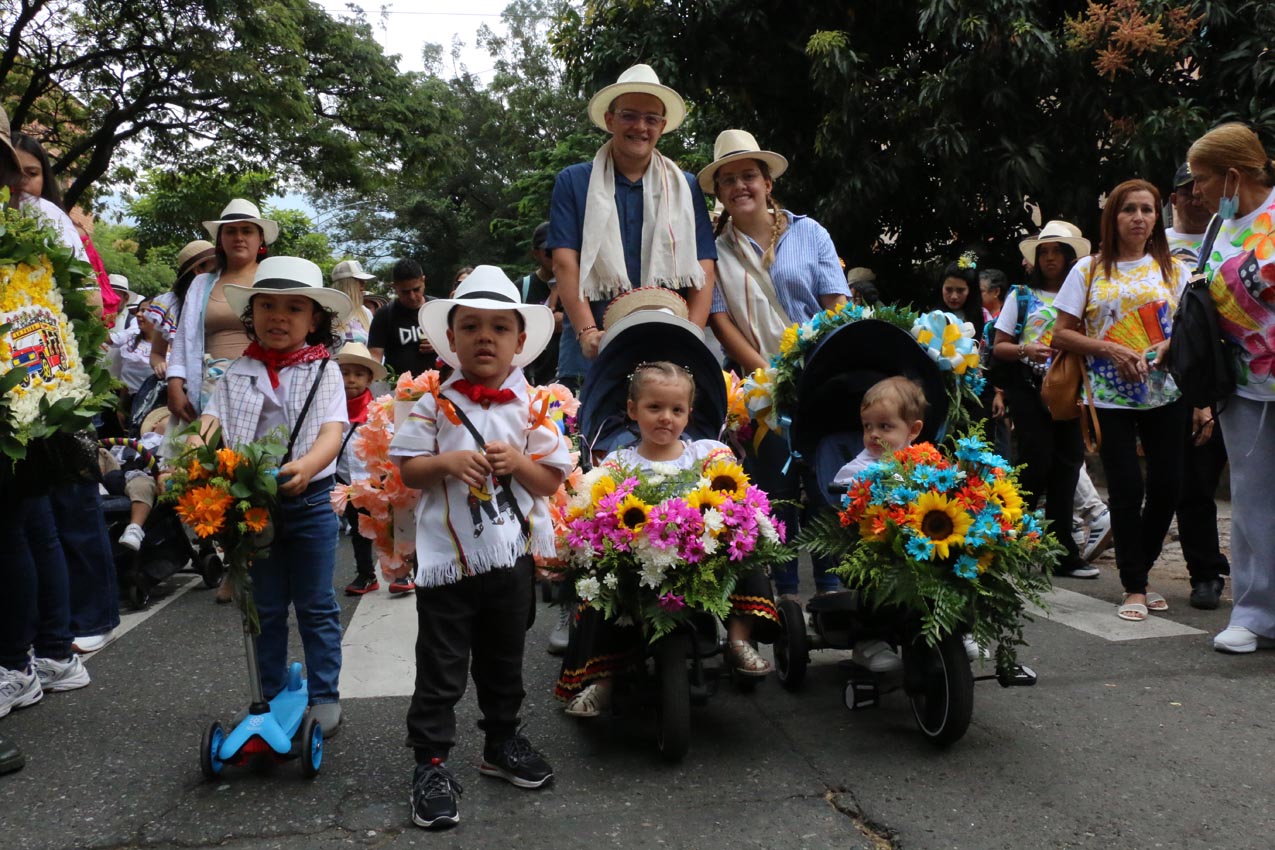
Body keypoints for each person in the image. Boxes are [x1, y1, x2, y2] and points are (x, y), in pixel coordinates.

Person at [389, 266, 569, 830]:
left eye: (499, 327)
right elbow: (409, 470)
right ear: (452, 338)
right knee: (440, 666)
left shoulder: (533, 405)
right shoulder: (432, 402)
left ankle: (501, 742)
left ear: (519, 339)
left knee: (504, 659)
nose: (485, 338)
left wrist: (518, 463)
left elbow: (550, 481)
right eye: (470, 327)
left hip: (508, 558)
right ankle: (431, 763)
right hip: (446, 561)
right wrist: (445, 462)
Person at [558, 361, 779, 716]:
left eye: (677, 410)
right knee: (601, 587)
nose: (666, 418)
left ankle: (737, 641)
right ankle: (602, 681)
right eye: (654, 407)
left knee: (746, 554)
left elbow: (731, 499)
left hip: (701, 555)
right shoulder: (618, 462)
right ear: (633, 410)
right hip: (639, 558)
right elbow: (602, 509)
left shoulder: (705, 454)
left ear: (689, 413)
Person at [193, 255, 351, 731]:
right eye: (267, 306)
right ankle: (270, 689)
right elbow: (211, 421)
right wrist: (193, 455)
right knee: (263, 605)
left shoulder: (324, 369)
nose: (278, 317)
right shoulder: (238, 370)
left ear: (314, 319)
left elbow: (332, 431)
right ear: (252, 313)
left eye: (293, 308)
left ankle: (324, 692)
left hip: (310, 500)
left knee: (316, 603)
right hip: (253, 504)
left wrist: (308, 465)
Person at [699, 129, 850, 599]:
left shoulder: (810, 232)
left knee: (826, 483)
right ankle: (782, 596)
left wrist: (813, 365)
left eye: (748, 175)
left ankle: (831, 593)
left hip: (821, 377)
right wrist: (768, 374)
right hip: (759, 385)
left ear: (767, 182)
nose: (739, 186)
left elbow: (837, 304)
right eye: (728, 180)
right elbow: (720, 319)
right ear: (719, 192)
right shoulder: (713, 249)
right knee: (775, 487)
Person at [1052, 179, 1193, 622]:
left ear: (1157, 218)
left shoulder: (1174, 270)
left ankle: (1141, 570)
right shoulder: (1088, 270)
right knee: (1127, 489)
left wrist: (1166, 347)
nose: (1138, 218)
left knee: (1168, 486)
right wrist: (1110, 348)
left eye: (1147, 210)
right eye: (1129, 209)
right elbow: (1060, 334)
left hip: (1166, 393)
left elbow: (1189, 331)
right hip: (1108, 398)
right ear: (1112, 217)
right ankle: (1135, 586)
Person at [548, 64, 717, 392]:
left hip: (668, 349)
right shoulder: (574, 181)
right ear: (610, 119)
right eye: (629, 115)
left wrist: (692, 337)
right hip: (592, 350)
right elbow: (565, 263)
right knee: (587, 423)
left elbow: (704, 269)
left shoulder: (685, 187)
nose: (640, 127)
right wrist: (587, 333)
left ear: (662, 126)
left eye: (651, 119)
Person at [1186, 123, 1275, 648]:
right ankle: (1254, 614)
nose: (1194, 190)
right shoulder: (1217, 230)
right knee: (1250, 503)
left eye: (1201, 178)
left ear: (1233, 176)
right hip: (1242, 389)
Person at [992, 221, 1100, 579]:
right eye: (1044, 252)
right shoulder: (1021, 296)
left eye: (1057, 252)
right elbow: (1000, 346)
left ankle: (1062, 554)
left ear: (1069, 257)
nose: (1050, 258)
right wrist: (1026, 349)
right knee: (1034, 463)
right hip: (1029, 388)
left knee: (1068, 466)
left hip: (1070, 390)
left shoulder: (1084, 295)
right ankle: (1008, 543)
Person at [1162, 161, 1230, 609]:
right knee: (1195, 484)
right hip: (1185, 377)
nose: (1196, 195)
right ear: (1174, 199)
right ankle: (1204, 573)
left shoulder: (1232, 235)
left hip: (1241, 370)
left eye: (1202, 185)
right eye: (1187, 189)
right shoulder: (1155, 246)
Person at [831, 377, 927, 672]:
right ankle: (868, 640)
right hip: (872, 543)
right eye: (867, 426)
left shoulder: (924, 463)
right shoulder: (857, 468)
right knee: (874, 574)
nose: (873, 434)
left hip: (919, 540)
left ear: (913, 430)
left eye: (885, 426)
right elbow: (845, 497)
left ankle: (955, 626)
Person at [167, 199, 278, 425]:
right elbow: (183, 336)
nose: (239, 237)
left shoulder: (273, 281)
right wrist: (174, 383)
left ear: (260, 239)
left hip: (264, 387)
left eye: (247, 231)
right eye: (230, 231)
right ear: (220, 240)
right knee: (202, 446)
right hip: (206, 389)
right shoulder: (201, 284)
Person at [335, 342, 386, 595]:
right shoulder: (331, 409)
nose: (351, 380)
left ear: (369, 379)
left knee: (390, 526)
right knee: (359, 530)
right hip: (347, 482)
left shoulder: (379, 409)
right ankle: (366, 574)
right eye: (345, 373)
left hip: (376, 480)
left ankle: (402, 571)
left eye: (358, 374)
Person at [146, 239, 218, 379]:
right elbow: (156, 353)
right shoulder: (172, 305)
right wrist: (161, 365)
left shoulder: (226, 295)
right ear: (198, 270)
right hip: (183, 380)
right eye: (215, 268)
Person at [367, 258, 433, 377]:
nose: (412, 296)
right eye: (405, 292)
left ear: (423, 281)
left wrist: (440, 345)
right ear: (394, 287)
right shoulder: (384, 314)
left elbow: (456, 346)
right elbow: (375, 356)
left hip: (440, 384)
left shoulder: (438, 308)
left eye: (416, 289)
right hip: (398, 385)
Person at [518, 222, 563, 387]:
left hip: (568, 377)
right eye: (549, 251)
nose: (556, 256)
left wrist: (567, 322)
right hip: (531, 379)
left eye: (560, 249)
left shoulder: (579, 287)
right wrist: (546, 324)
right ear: (535, 253)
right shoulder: (522, 288)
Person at [330, 259, 377, 347]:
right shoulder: (327, 311)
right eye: (360, 282)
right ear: (347, 284)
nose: (363, 287)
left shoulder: (365, 312)